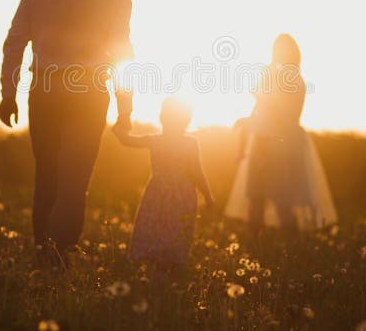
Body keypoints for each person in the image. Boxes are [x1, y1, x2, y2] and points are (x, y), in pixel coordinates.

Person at [0, 0, 134, 260]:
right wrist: (125, 108)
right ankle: (63, 252)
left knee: (47, 173)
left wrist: (8, 93)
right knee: (76, 179)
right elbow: (122, 54)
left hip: (45, 88)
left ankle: (42, 245)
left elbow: (15, 42)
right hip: (89, 92)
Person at [224, 34, 337, 236]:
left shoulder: (295, 81)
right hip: (261, 143)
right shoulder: (271, 77)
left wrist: (260, 97)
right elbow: (258, 112)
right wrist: (244, 136)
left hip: (283, 144)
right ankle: (255, 247)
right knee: (256, 200)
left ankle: (290, 250)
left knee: (282, 200)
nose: (277, 54)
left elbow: (286, 115)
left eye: (282, 49)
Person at [113, 97, 214, 271]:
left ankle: (152, 264)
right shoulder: (189, 143)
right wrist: (207, 196)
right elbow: (197, 173)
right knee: (176, 230)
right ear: (187, 120)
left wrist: (120, 126)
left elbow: (126, 140)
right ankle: (171, 265)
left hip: (157, 192)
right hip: (182, 194)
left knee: (153, 226)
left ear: (162, 117)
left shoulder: (155, 140)